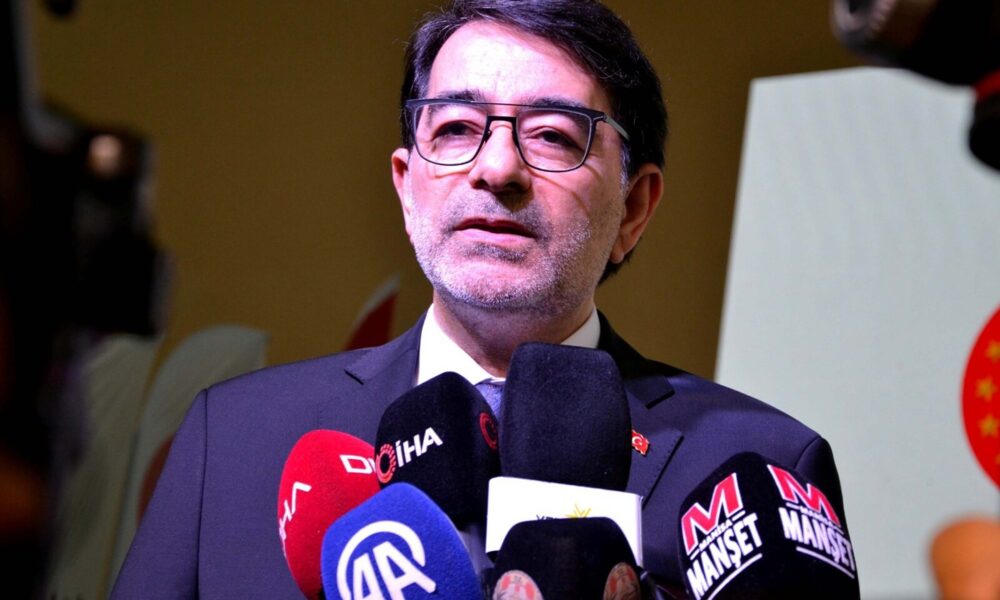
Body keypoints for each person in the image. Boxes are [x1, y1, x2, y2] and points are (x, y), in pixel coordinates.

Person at [112, 1, 849, 597]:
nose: (497, 168)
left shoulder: (762, 463)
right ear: (406, 187)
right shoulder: (234, 440)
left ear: (633, 208)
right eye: (458, 127)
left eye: (553, 135)